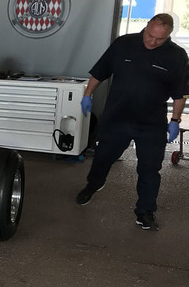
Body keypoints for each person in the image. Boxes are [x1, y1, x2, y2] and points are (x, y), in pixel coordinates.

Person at [76, 13, 188, 230]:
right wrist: (87, 95)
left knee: (149, 168)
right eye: (150, 35)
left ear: (169, 36)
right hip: (117, 117)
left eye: (159, 39)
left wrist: (175, 119)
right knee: (103, 157)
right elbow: (100, 72)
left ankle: (145, 211)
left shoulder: (177, 56)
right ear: (146, 27)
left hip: (151, 122)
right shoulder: (123, 44)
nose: (152, 42)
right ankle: (94, 184)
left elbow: (179, 94)